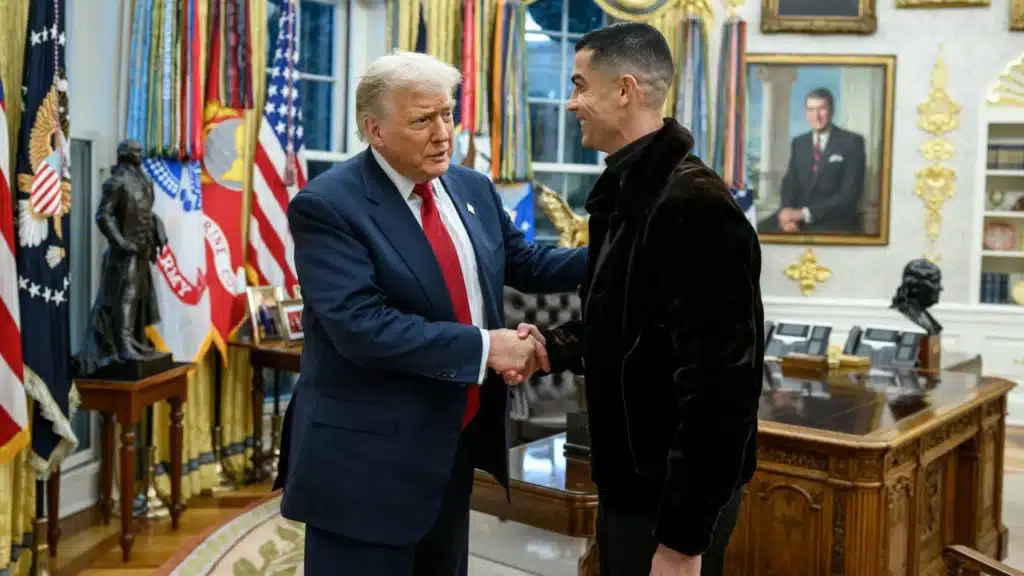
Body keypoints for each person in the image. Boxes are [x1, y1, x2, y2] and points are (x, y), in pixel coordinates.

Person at [281, 50, 588, 576]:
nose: (443, 133)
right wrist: (487, 348)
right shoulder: (328, 205)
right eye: (422, 120)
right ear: (374, 130)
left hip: (451, 444)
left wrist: (623, 248)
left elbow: (525, 261)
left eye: (447, 113)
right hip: (364, 466)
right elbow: (362, 327)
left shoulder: (470, 187)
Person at [528, 23, 764, 576]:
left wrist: (682, 541)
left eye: (581, 85)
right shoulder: (630, 192)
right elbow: (628, 329)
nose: (571, 102)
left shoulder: (694, 205)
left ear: (626, 89)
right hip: (632, 484)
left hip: (672, 501)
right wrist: (551, 348)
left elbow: (721, 389)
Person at [765, 87, 867, 234]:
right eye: (811, 110)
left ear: (832, 111)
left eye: (821, 109)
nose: (816, 116)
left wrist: (803, 214)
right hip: (796, 219)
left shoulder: (852, 142)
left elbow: (849, 195)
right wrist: (787, 215)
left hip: (834, 222)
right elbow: (789, 183)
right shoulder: (799, 143)